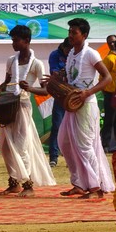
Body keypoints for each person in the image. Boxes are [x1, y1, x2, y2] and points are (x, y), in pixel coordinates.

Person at [56, 18, 115, 199]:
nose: (71, 35)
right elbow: (72, 80)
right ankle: (79, 183)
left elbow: (107, 78)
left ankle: (96, 187)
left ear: (85, 35)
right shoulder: (72, 54)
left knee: (85, 146)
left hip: (86, 105)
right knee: (64, 142)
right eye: (70, 32)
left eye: (74, 32)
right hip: (72, 104)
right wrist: (57, 81)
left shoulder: (91, 54)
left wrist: (88, 93)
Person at [0, 25, 56, 197]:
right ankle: (14, 183)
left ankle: (28, 185)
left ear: (27, 41)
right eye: (12, 40)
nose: (13, 43)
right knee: (5, 146)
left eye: (16, 40)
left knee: (22, 146)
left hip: (23, 106)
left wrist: (29, 88)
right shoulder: (11, 60)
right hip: (7, 106)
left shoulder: (36, 64)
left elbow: (46, 91)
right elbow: (6, 82)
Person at [47, 37, 72, 167]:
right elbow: (54, 73)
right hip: (60, 95)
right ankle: (53, 157)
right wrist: (63, 73)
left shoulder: (76, 54)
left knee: (73, 128)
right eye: (68, 49)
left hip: (74, 95)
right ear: (63, 47)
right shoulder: (55, 55)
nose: (70, 52)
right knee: (57, 126)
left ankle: (71, 158)